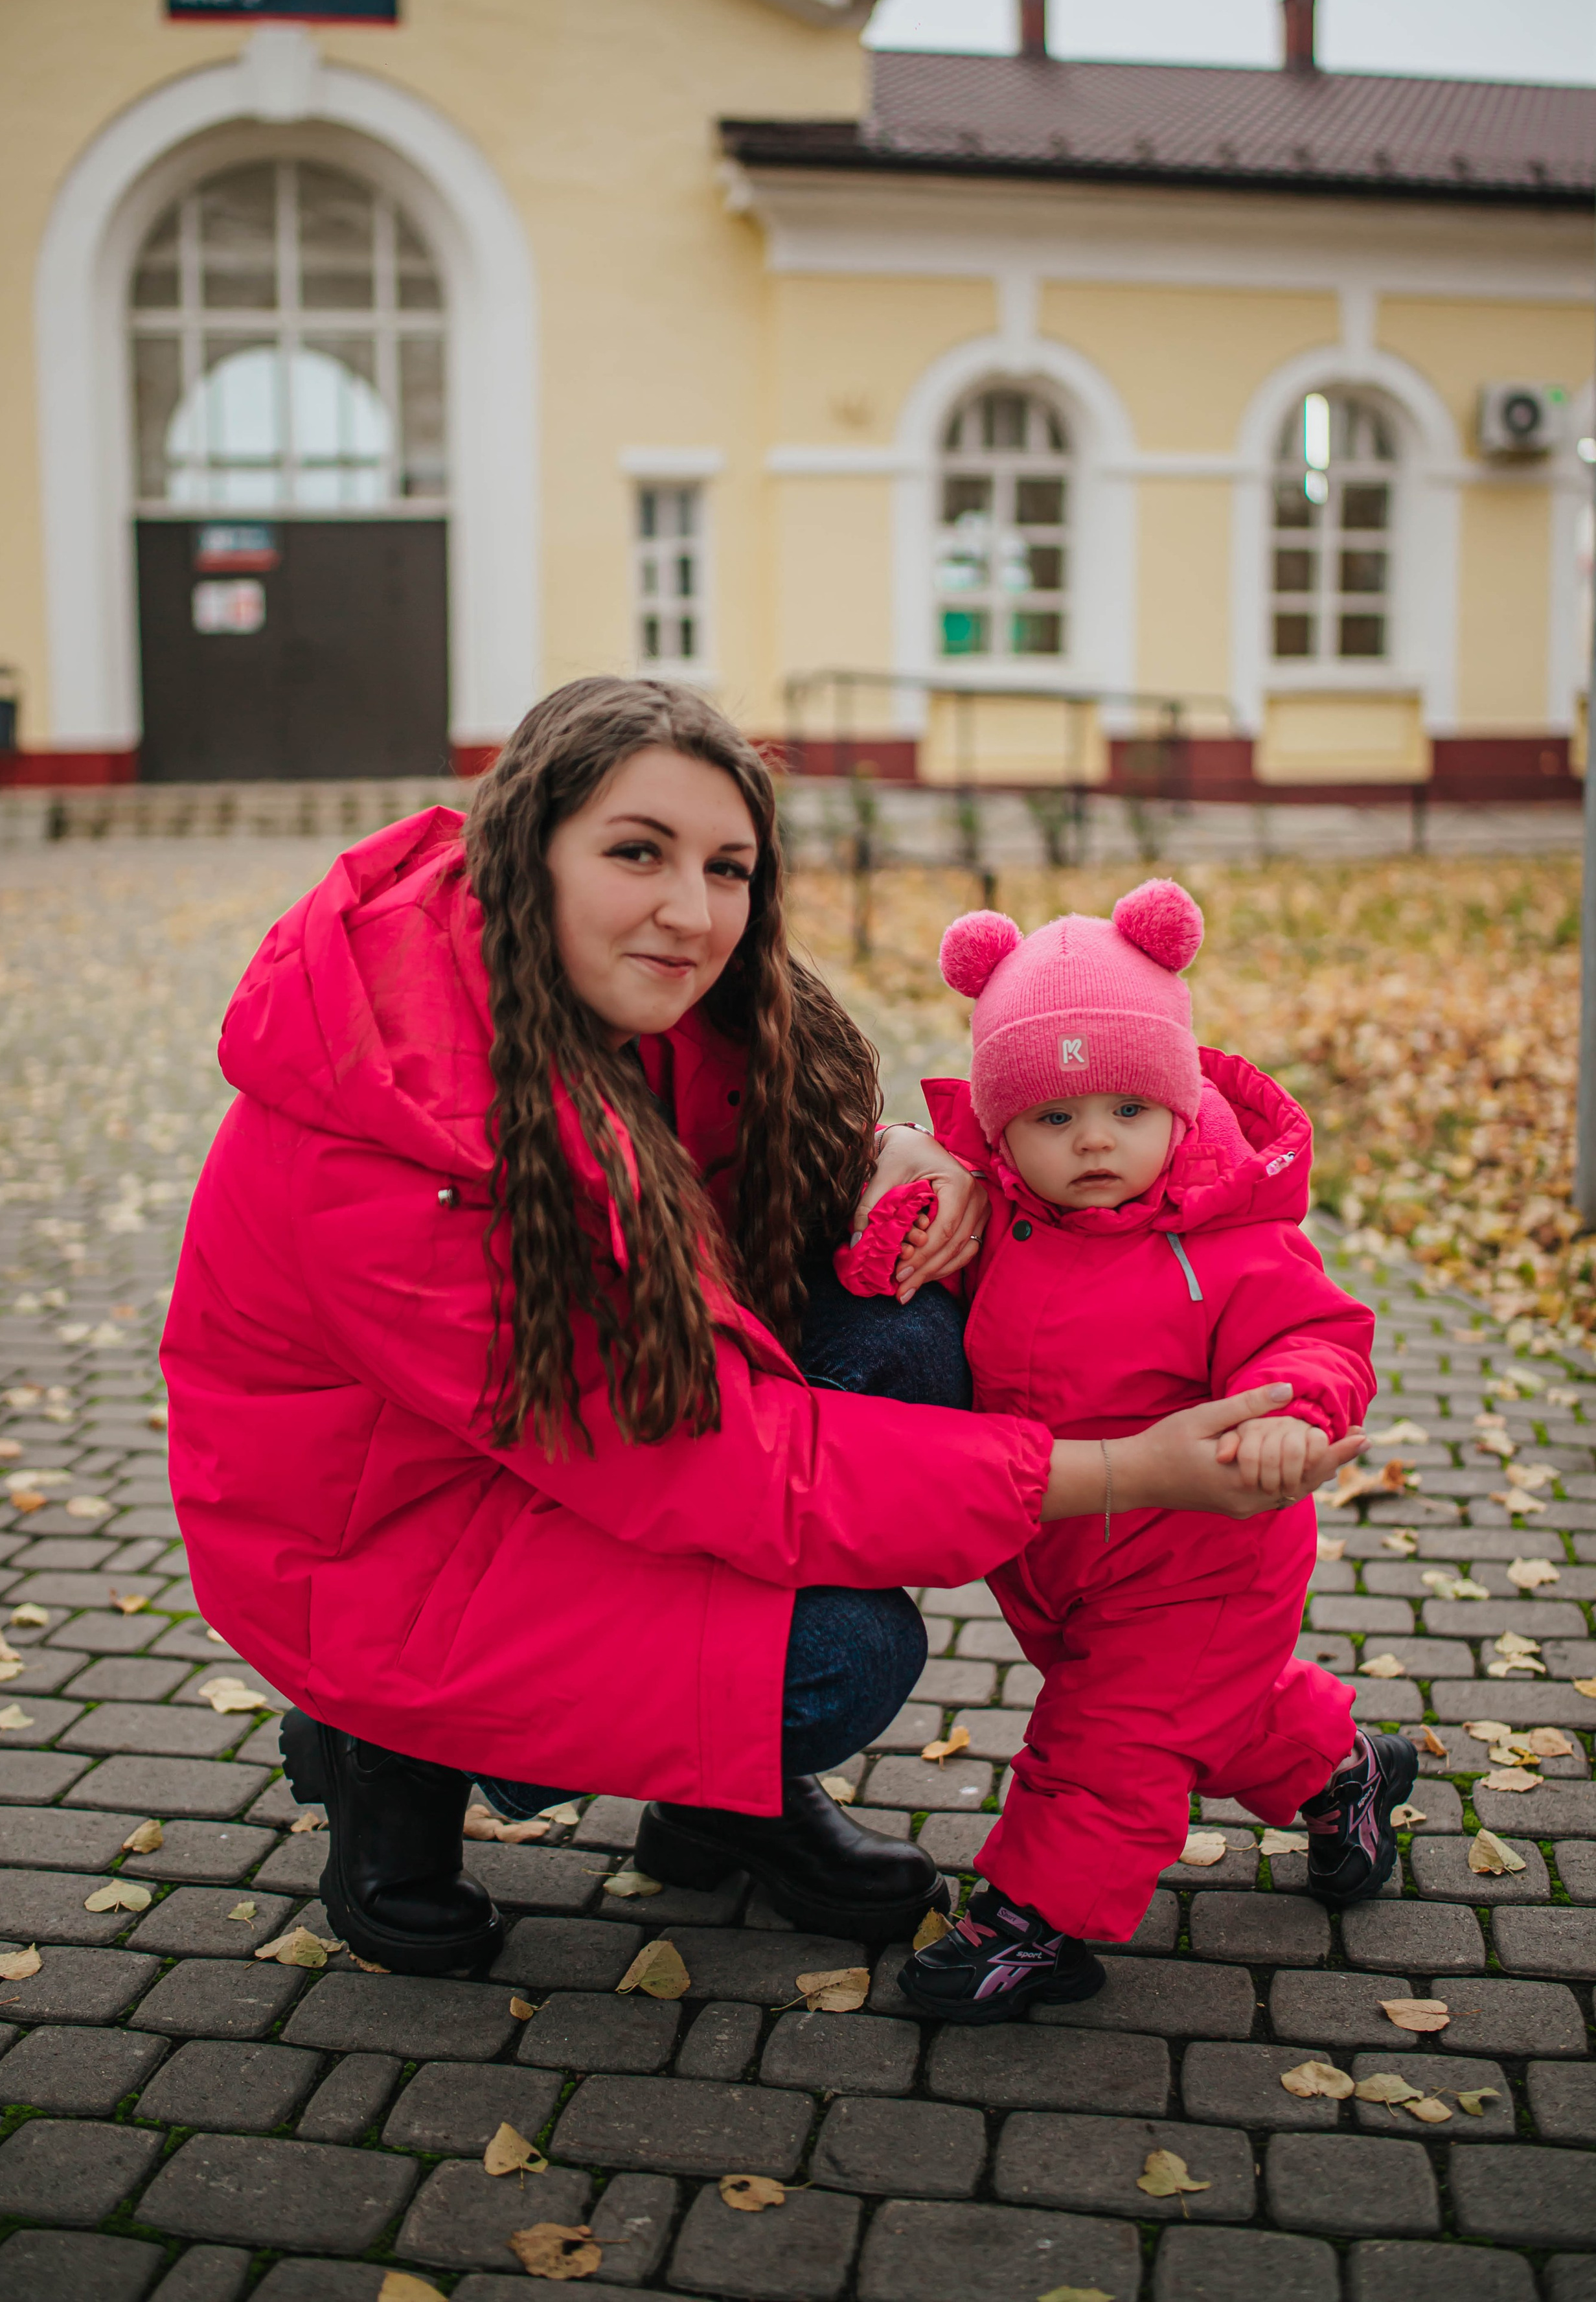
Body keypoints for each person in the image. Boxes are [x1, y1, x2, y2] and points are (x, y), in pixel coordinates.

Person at [161, 682, 1360, 1977]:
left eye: (726, 867)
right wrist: (1125, 1472)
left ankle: (716, 1795)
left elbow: (745, 1178)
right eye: (638, 851)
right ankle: (386, 1749)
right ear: (525, 850)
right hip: (382, 1542)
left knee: (906, 1332)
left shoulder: (648, 994)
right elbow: (719, 1462)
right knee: (841, 1653)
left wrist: (899, 1155)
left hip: (575, 1460)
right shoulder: (402, 1143)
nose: (692, 909)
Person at [838, 880, 1403, 2024]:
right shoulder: (1000, 1224)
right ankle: (1346, 1767)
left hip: (1207, 1553)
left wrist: (1289, 1414)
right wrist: (895, 1222)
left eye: (1127, 1109)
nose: (1093, 1140)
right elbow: (901, 1275)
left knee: (1110, 1737)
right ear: (1002, 1130)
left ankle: (1037, 1923)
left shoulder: (1230, 1239)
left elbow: (1314, 1335)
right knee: (1205, 1713)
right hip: (1058, 1550)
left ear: (1179, 1107)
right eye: (1052, 1117)